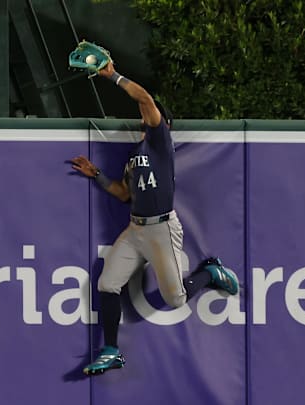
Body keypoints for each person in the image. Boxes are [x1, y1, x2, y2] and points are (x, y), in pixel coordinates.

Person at [69, 60, 240, 376]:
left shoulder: (161, 142)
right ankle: (111, 351)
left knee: (175, 298)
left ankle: (211, 274)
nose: (144, 119)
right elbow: (123, 194)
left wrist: (113, 76)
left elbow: (145, 99)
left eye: (150, 117)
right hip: (136, 229)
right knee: (107, 283)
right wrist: (97, 175)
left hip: (162, 228)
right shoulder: (135, 156)